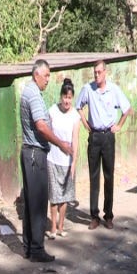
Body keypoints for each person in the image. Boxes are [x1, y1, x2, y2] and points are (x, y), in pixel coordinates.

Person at [20, 59, 72, 262]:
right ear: (36, 75)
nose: (48, 80)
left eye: (49, 76)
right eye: (46, 75)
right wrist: (61, 144)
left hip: (31, 152)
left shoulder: (31, 91)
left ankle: (29, 247)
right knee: (38, 202)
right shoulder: (32, 94)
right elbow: (41, 126)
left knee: (31, 203)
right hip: (35, 154)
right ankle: (36, 248)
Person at [76, 60, 132, 230]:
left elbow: (127, 108)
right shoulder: (88, 89)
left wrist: (119, 125)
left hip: (108, 137)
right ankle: (94, 216)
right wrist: (86, 125)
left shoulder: (113, 90)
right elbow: (78, 107)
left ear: (105, 72)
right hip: (94, 137)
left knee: (109, 177)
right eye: (95, 72)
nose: (97, 75)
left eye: (99, 72)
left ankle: (108, 215)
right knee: (94, 177)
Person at [46, 78, 80, 238]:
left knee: (64, 197)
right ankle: (52, 228)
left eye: (69, 97)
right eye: (65, 97)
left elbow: (76, 140)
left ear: (72, 98)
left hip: (67, 162)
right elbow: (47, 132)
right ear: (61, 96)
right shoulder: (52, 111)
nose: (67, 100)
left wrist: (74, 163)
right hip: (52, 159)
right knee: (54, 196)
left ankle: (61, 227)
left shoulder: (75, 116)